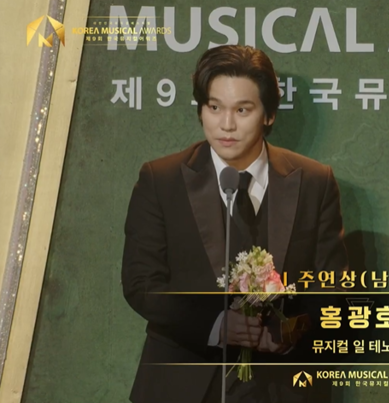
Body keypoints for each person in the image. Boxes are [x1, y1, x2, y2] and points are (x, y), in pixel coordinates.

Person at [121, 45, 348, 403]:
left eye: (242, 110)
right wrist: (216, 326)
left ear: (268, 114)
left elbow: (333, 286)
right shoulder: (161, 180)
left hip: (282, 388)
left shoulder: (314, 182)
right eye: (214, 107)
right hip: (181, 385)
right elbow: (142, 284)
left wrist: (288, 332)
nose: (226, 124)